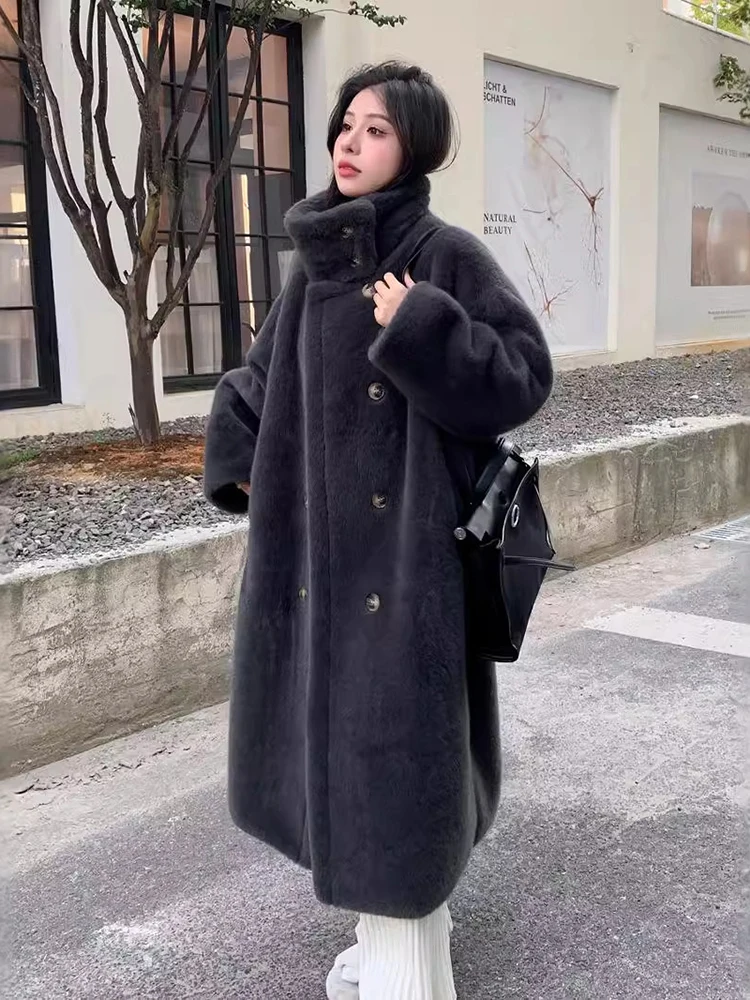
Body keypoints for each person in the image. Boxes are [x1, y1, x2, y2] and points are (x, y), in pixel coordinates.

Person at [203, 62, 553, 1000]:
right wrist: (242, 462)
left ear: (416, 148)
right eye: (346, 125)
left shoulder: (443, 254)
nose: (349, 144)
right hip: (316, 564)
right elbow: (262, 380)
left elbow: (522, 376)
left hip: (407, 568)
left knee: (396, 767)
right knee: (346, 760)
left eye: (377, 130)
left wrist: (421, 324)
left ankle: (408, 965)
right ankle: (385, 937)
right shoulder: (315, 264)